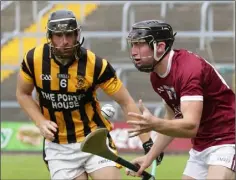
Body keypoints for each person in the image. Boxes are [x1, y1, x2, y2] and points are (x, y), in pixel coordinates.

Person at [15, 10, 163, 180]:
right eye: (58, 35)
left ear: (77, 34)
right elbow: (23, 94)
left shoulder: (95, 65)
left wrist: (147, 142)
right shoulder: (33, 59)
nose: (64, 42)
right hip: (59, 148)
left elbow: (126, 102)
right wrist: (40, 121)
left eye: (69, 35)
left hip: (94, 139)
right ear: (50, 36)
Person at [125, 20, 235, 180]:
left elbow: (190, 126)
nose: (134, 52)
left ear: (160, 47)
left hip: (228, 139)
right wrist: (149, 158)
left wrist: (155, 124)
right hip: (201, 146)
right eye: (133, 45)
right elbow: (173, 118)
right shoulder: (157, 77)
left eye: (140, 44)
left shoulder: (188, 70)